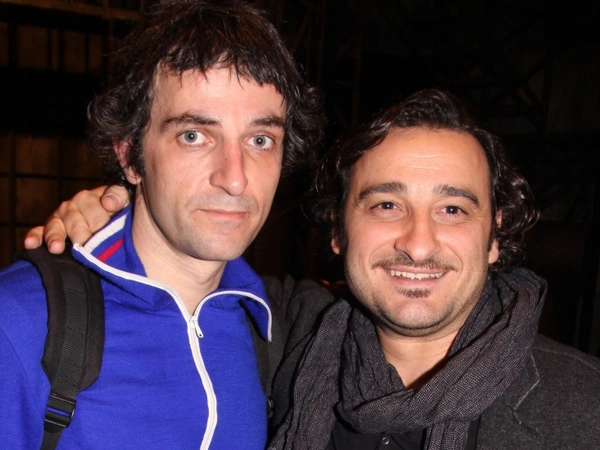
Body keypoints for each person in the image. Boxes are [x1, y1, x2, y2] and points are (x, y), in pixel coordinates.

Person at [35, 89, 600, 449]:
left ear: (494, 235)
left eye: (452, 209)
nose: (418, 243)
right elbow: (181, 266)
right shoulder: (284, 330)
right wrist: (117, 211)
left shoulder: (582, 406)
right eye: (386, 205)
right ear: (337, 230)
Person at [0, 0, 325, 448]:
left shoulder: (274, 331)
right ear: (130, 156)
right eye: (194, 136)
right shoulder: (22, 320)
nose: (235, 178)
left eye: (260, 139)